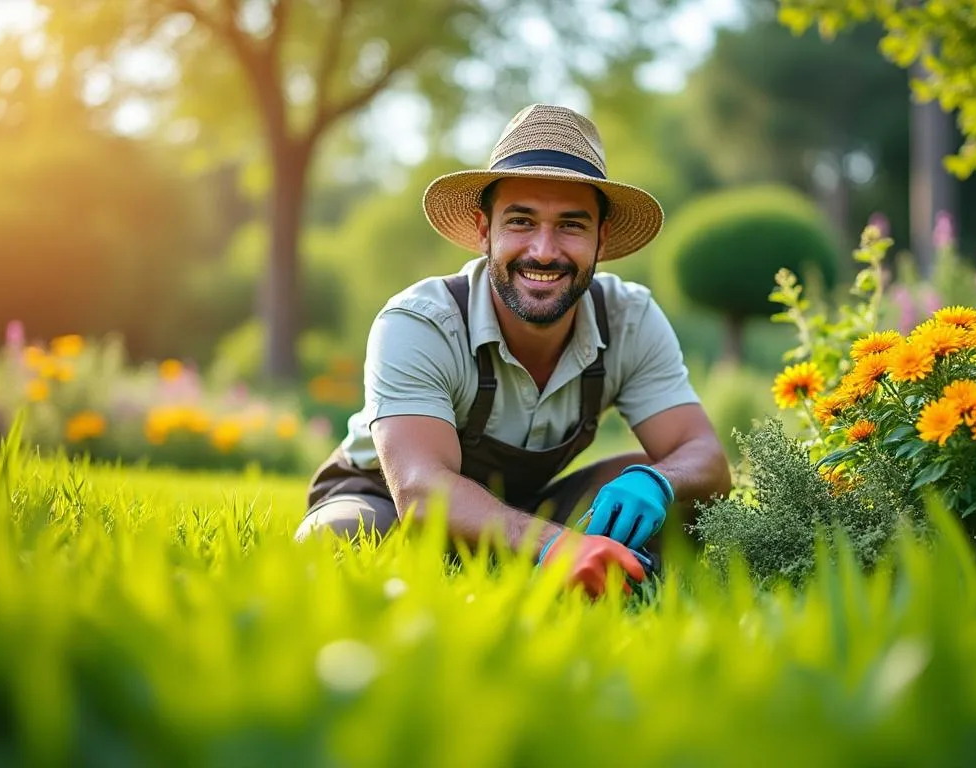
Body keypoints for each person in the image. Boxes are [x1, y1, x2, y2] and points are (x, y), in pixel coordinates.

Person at [297, 103, 732, 597]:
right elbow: (418, 491)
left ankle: (603, 578)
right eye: (521, 221)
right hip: (385, 496)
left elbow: (707, 458)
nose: (544, 251)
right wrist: (556, 545)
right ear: (485, 231)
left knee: (672, 495)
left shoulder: (630, 318)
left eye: (571, 225)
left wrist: (658, 483)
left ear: (601, 239)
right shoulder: (420, 321)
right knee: (334, 540)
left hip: (532, 507)